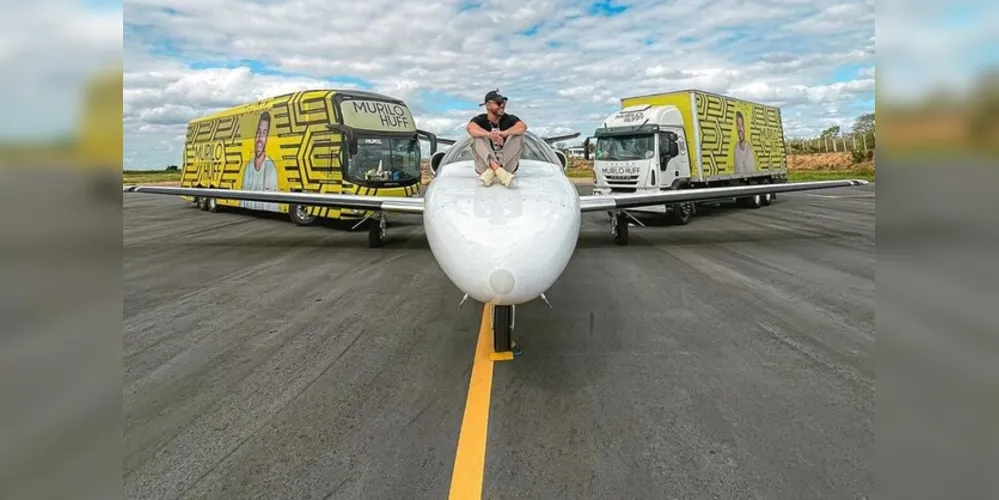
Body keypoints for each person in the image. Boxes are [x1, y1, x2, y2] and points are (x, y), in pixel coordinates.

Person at [466, 90, 527, 187]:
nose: (502, 105)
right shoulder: (480, 119)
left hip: (507, 165)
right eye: (499, 103)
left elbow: (523, 127)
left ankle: (494, 169)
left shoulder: (509, 118)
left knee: (518, 135)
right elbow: (470, 128)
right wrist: (489, 135)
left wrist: (504, 133)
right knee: (477, 136)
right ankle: (499, 171)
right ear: (488, 105)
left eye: (503, 103)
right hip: (484, 166)